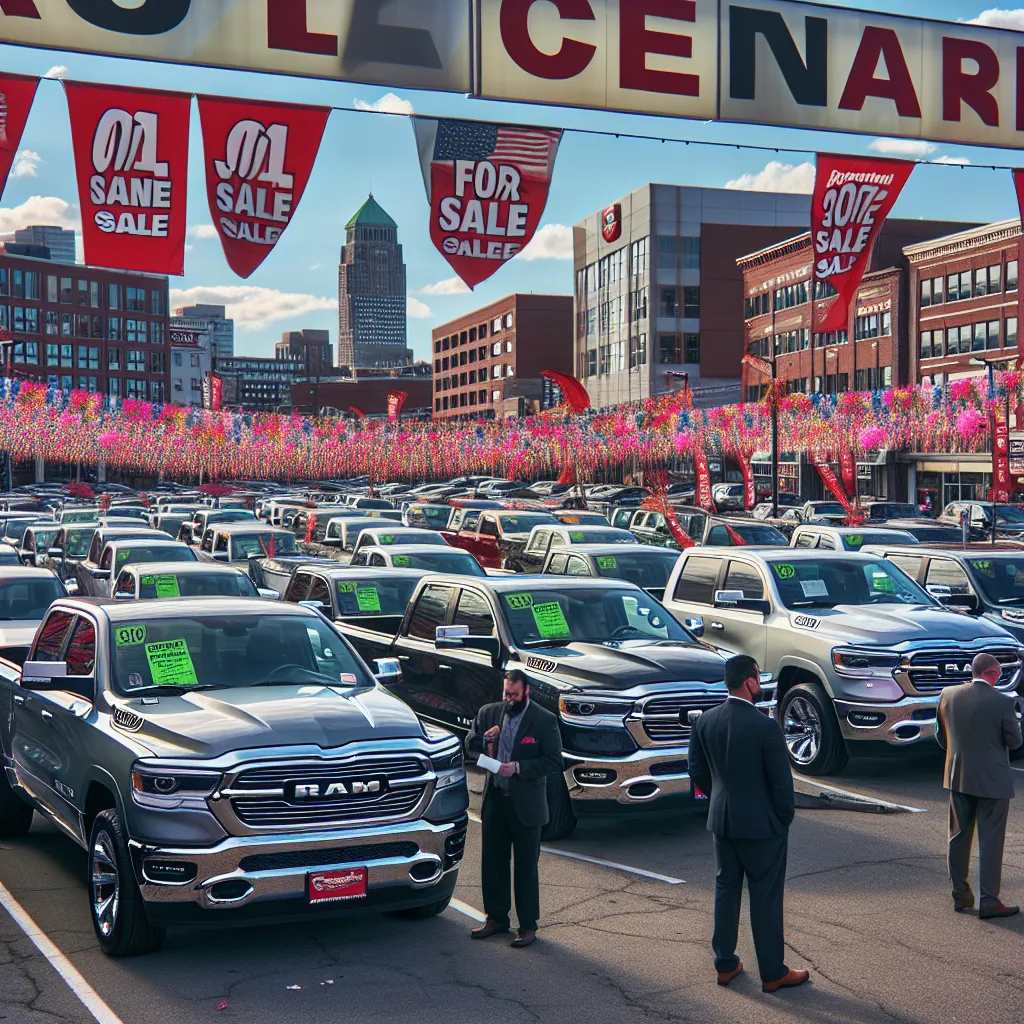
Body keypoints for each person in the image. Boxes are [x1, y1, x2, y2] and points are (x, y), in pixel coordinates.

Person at [687, 655, 808, 994]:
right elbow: (782, 784)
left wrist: (718, 799)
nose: (760, 683)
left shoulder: (705, 722)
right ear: (749, 682)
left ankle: (725, 964)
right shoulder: (765, 726)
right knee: (765, 898)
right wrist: (784, 818)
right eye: (758, 678)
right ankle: (773, 972)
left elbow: (697, 772)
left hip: (722, 821)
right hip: (762, 827)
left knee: (726, 891)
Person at [465, 669, 562, 948]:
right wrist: (485, 740)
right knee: (493, 862)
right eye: (506, 693)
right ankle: (496, 918)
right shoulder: (488, 713)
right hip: (495, 799)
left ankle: (528, 925)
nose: (509, 699)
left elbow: (554, 761)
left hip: (527, 804)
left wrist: (518, 767)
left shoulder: (544, 720)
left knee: (526, 867)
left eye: (514, 694)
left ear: (526, 691)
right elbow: (469, 746)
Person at [937, 652, 1023, 919]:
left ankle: (961, 897)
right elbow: (1015, 741)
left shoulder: (948, 694)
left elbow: (942, 738)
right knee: (990, 842)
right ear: (994, 673)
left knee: (958, 837)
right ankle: (989, 901)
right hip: (992, 782)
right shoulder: (1003, 702)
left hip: (958, 776)